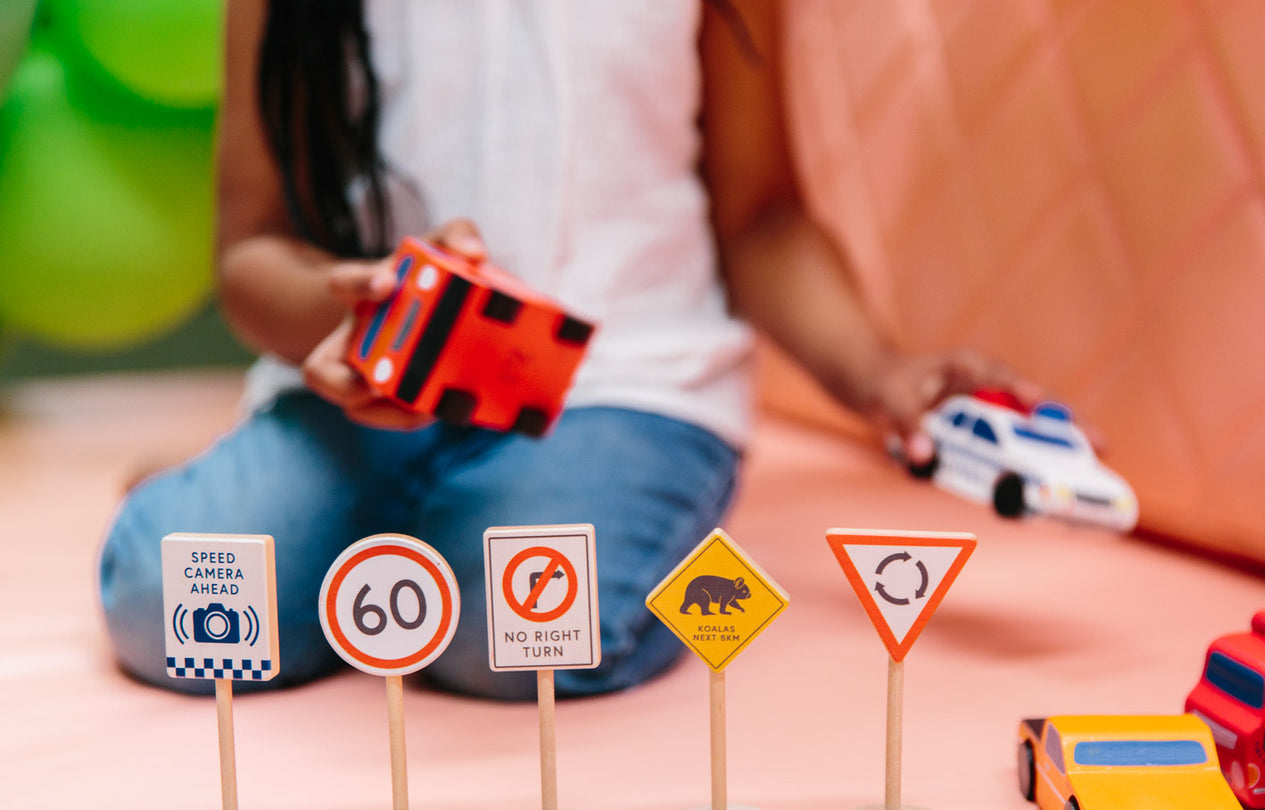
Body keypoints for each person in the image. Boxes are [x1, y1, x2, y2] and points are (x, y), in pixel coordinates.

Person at [99, 0, 1035, 698]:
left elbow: (762, 221)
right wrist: (342, 313)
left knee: (513, 641)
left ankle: (381, 531)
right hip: (369, 387)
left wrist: (879, 372)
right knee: (166, 602)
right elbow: (251, 252)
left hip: (628, 384)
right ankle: (300, 505)